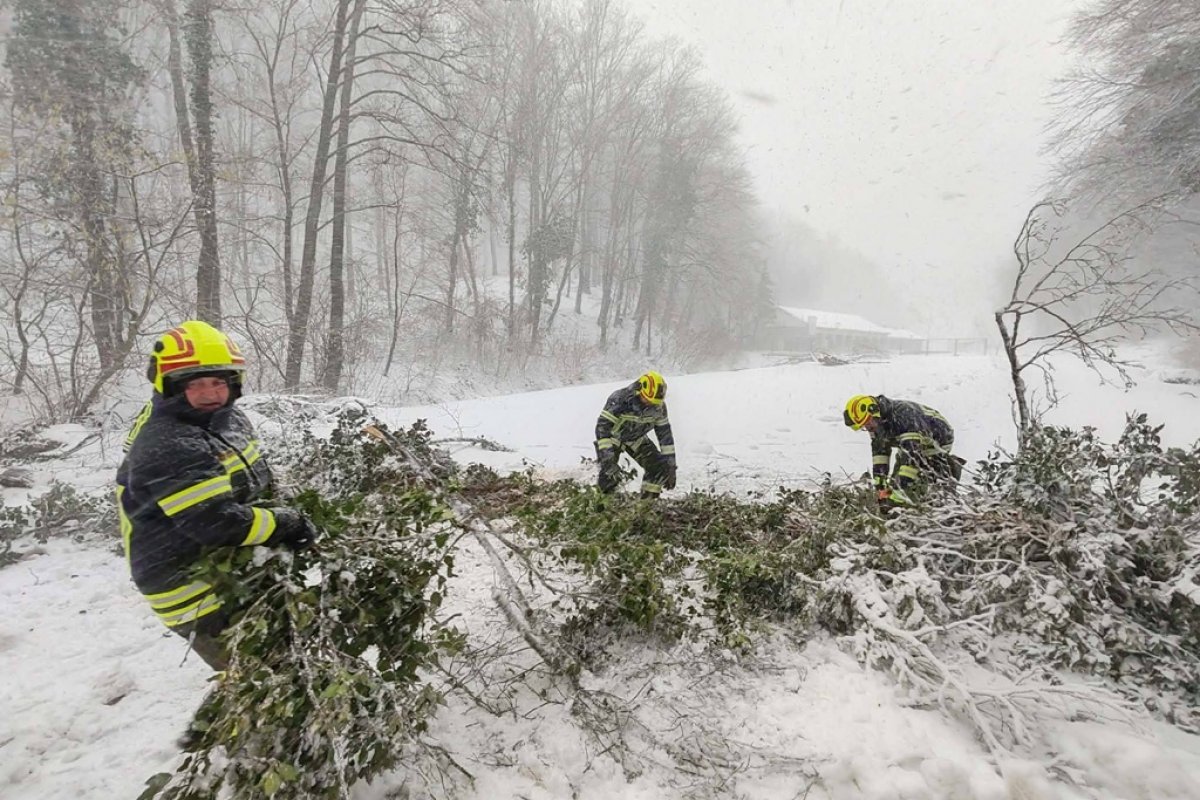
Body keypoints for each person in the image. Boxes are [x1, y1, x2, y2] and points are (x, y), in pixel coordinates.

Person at [116, 320, 316, 670]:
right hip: (194, 588)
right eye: (196, 384)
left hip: (229, 569)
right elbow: (215, 522)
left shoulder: (227, 420)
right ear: (171, 387)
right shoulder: (168, 442)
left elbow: (253, 481)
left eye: (218, 382)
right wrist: (287, 523)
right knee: (262, 677)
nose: (210, 393)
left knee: (279, 660)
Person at [843, 394, 963, 511]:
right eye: (864, 426)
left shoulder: (904, 416)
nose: (868, 428)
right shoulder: (877, 425)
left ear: (874, 411)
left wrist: (900, 491)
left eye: (868, 423)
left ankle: (950, 470)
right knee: (896, 484)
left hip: (937, 441)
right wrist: (881, 488)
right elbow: (879, 456)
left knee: (922, 485)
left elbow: (912, 458)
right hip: (906, 443)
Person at [594, 371, 677, 500]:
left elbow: (665, 436)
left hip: (636, 439)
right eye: (647, 400)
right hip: (612, 439)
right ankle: (600, 507)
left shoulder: (659, 407)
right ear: (639, 390)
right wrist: (607, 458)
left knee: (659, 467)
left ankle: (646, 505)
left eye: (653, 403)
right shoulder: (620, 399)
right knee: (609, 474)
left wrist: (671, 466)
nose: (650, 405)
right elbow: (602, 428)